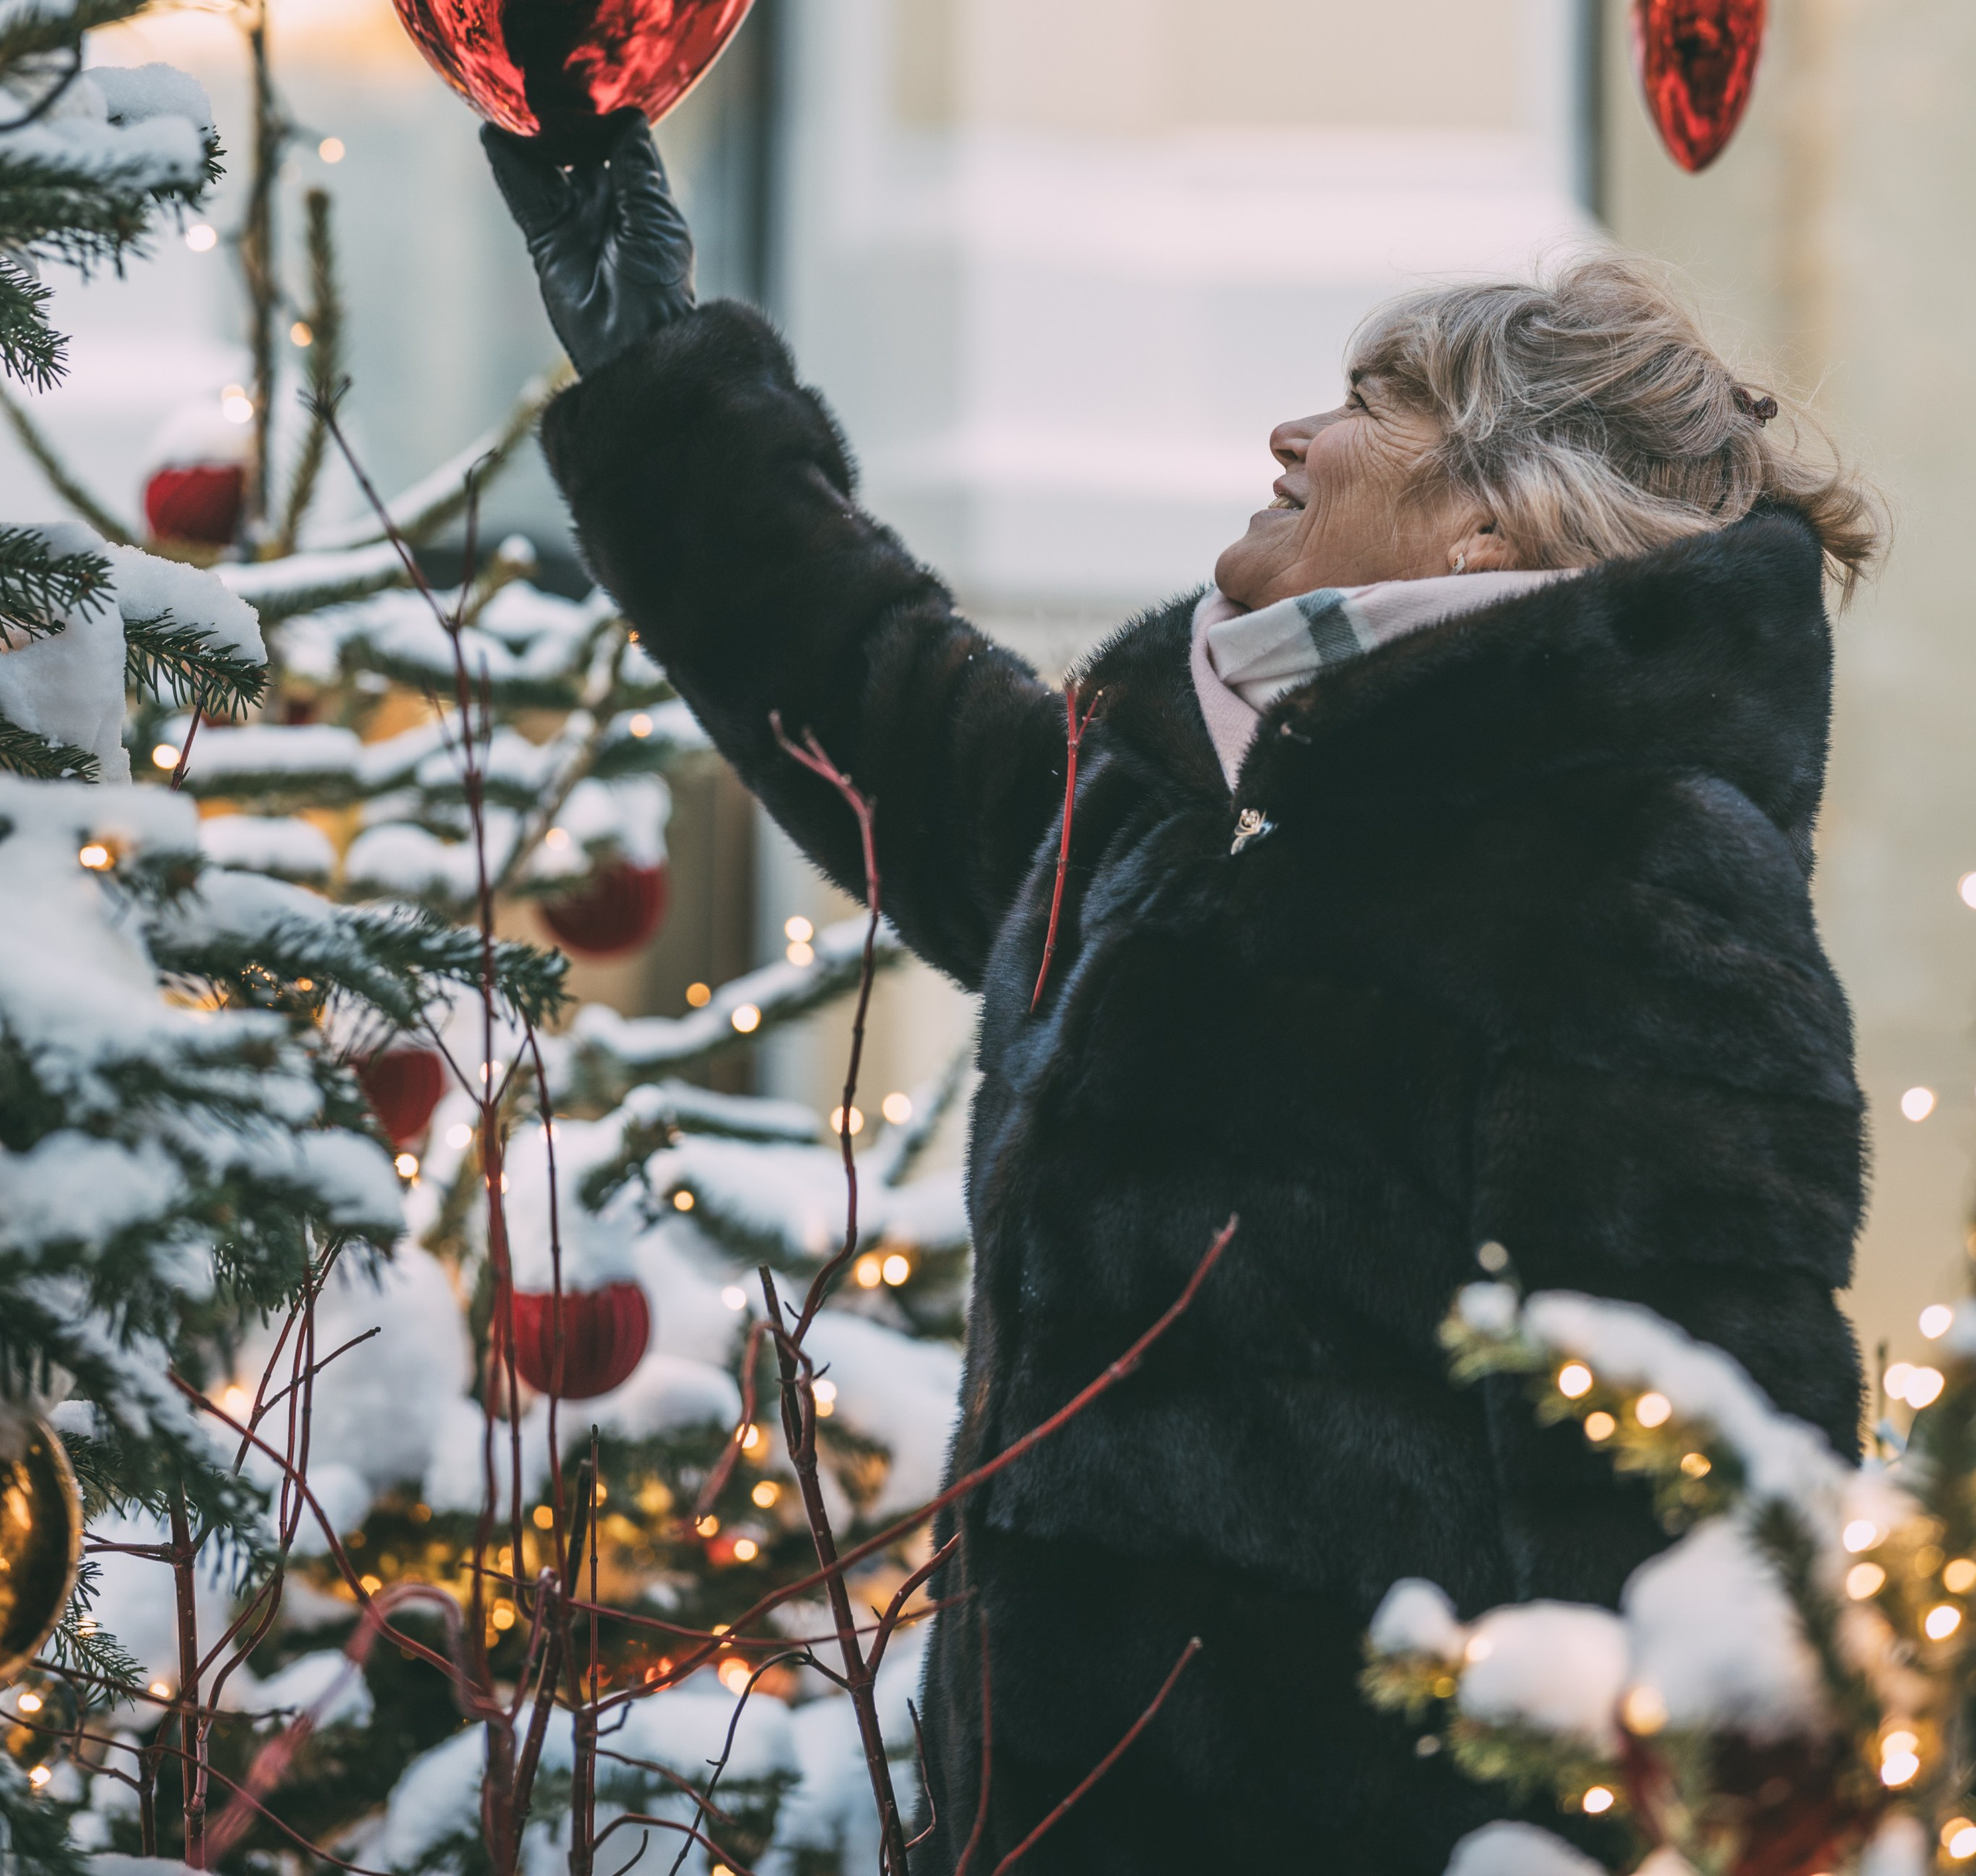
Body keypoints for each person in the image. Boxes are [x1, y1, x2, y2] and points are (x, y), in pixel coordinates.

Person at [486, 113, 1879, 1876]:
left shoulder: (1628, 876)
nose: (1295, 433)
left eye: (1373, 402)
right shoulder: (1204, 807)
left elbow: (1691, 1519)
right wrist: (654, 370)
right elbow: (882, 707)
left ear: (1483, 516)